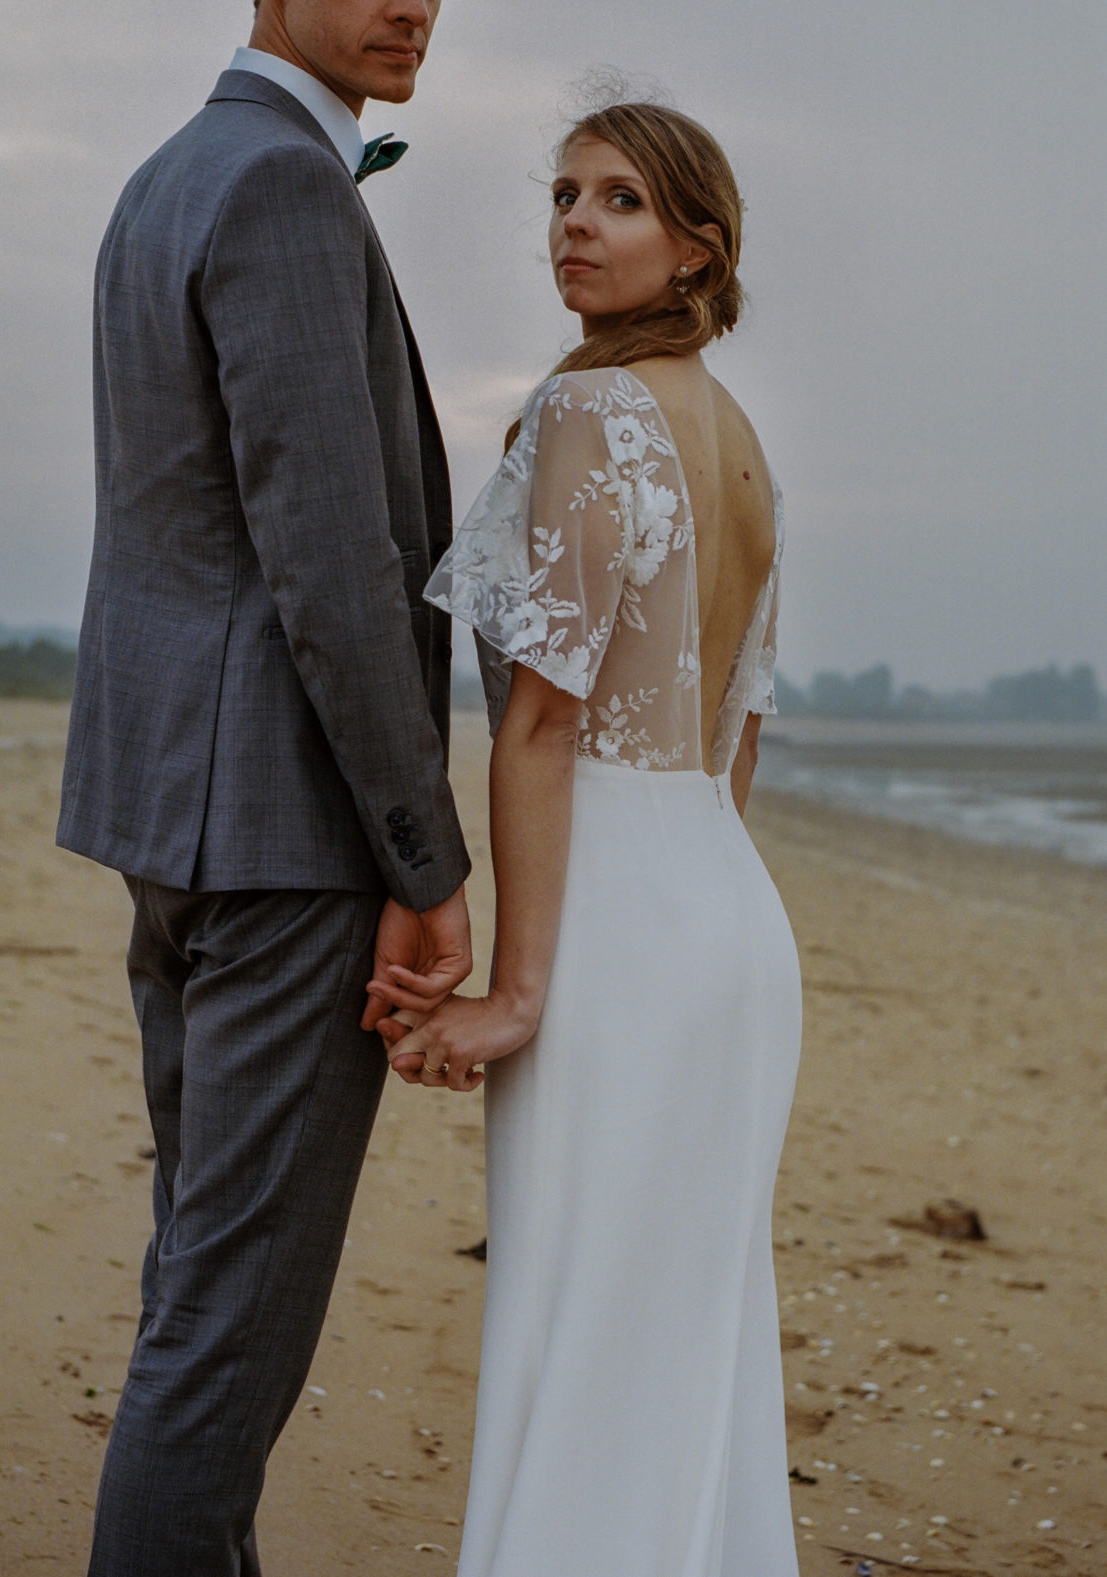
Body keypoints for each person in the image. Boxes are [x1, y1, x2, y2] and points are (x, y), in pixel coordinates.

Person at [56, 0, 476, 1577]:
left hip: (170, 815)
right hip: (288, 843)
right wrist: (427, 858)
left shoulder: (166, 175)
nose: (411, 6)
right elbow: (332, 567)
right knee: (222, 1343)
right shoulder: (288, 186)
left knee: (195, 1292)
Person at [390, 99, 803, 1575]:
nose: (573, 220)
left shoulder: (585, 414)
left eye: (621, 200)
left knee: (580, 1335)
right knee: (692, 1347)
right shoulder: (745, 446)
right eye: (564, 193)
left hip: (620, 926)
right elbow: (736, 737)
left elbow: (543, 725)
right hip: (732, 925)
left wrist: (516, 984)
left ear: (699, 247)